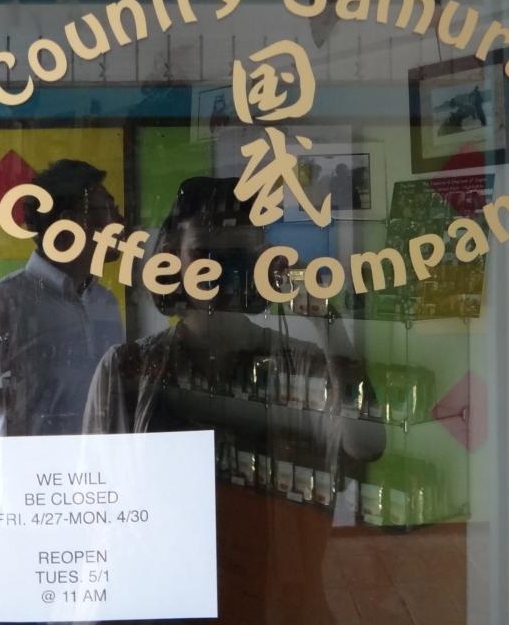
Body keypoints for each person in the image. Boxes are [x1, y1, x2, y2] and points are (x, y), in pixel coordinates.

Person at [82, 177, 385, 623]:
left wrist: (326, 320)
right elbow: (98, 498)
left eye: (239, 254)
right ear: (172, 258)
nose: (219, 270)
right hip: (165, 598)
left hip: (276, 602)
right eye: (204, 252)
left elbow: (366, 443)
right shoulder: (126, 368)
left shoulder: (303, 364)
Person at [0, 159, 124, 438]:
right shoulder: (2, 304)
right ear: (69, 225)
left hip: (98, 467)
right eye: (107, 209)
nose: (119, 222)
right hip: (26, 468)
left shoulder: (105, 303)